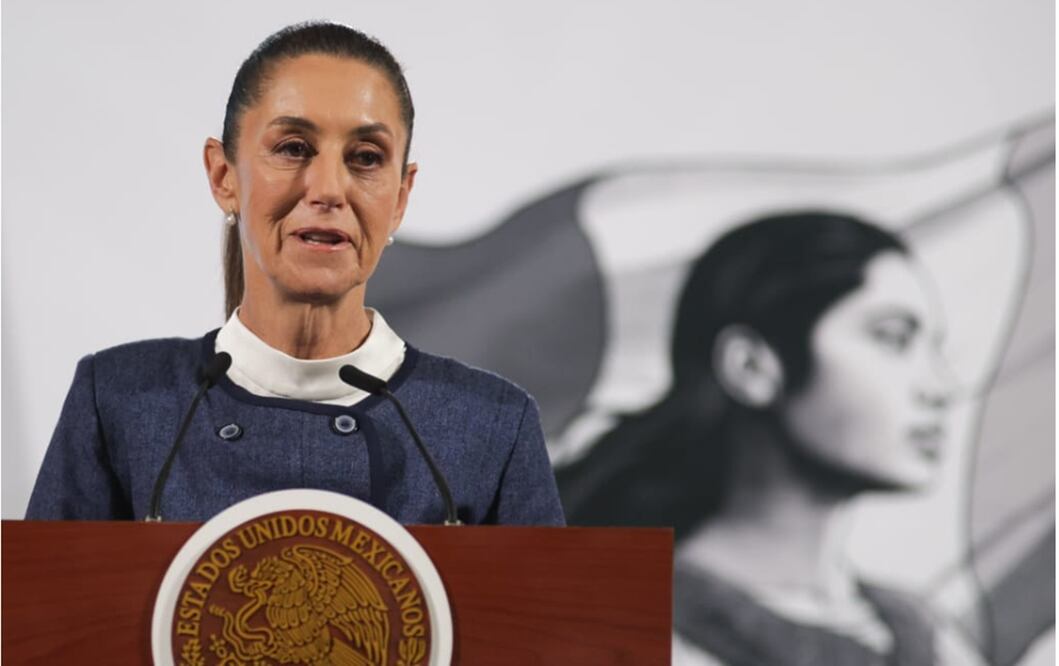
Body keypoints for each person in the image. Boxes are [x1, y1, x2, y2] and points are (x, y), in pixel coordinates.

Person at [26, 21, 564, 526]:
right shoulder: (121, 401)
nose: (329, 188)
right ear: (223, 175)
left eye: (367, 157)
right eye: (293, 149)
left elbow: (547, 626)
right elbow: (44, 621)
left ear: (400, 197)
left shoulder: (492, 425)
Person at [557, 212, 984, 665]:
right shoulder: (618, 633)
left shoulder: (927, 636)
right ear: (751, 367)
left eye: (935, 348)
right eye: (892, 339)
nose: (941, 387)